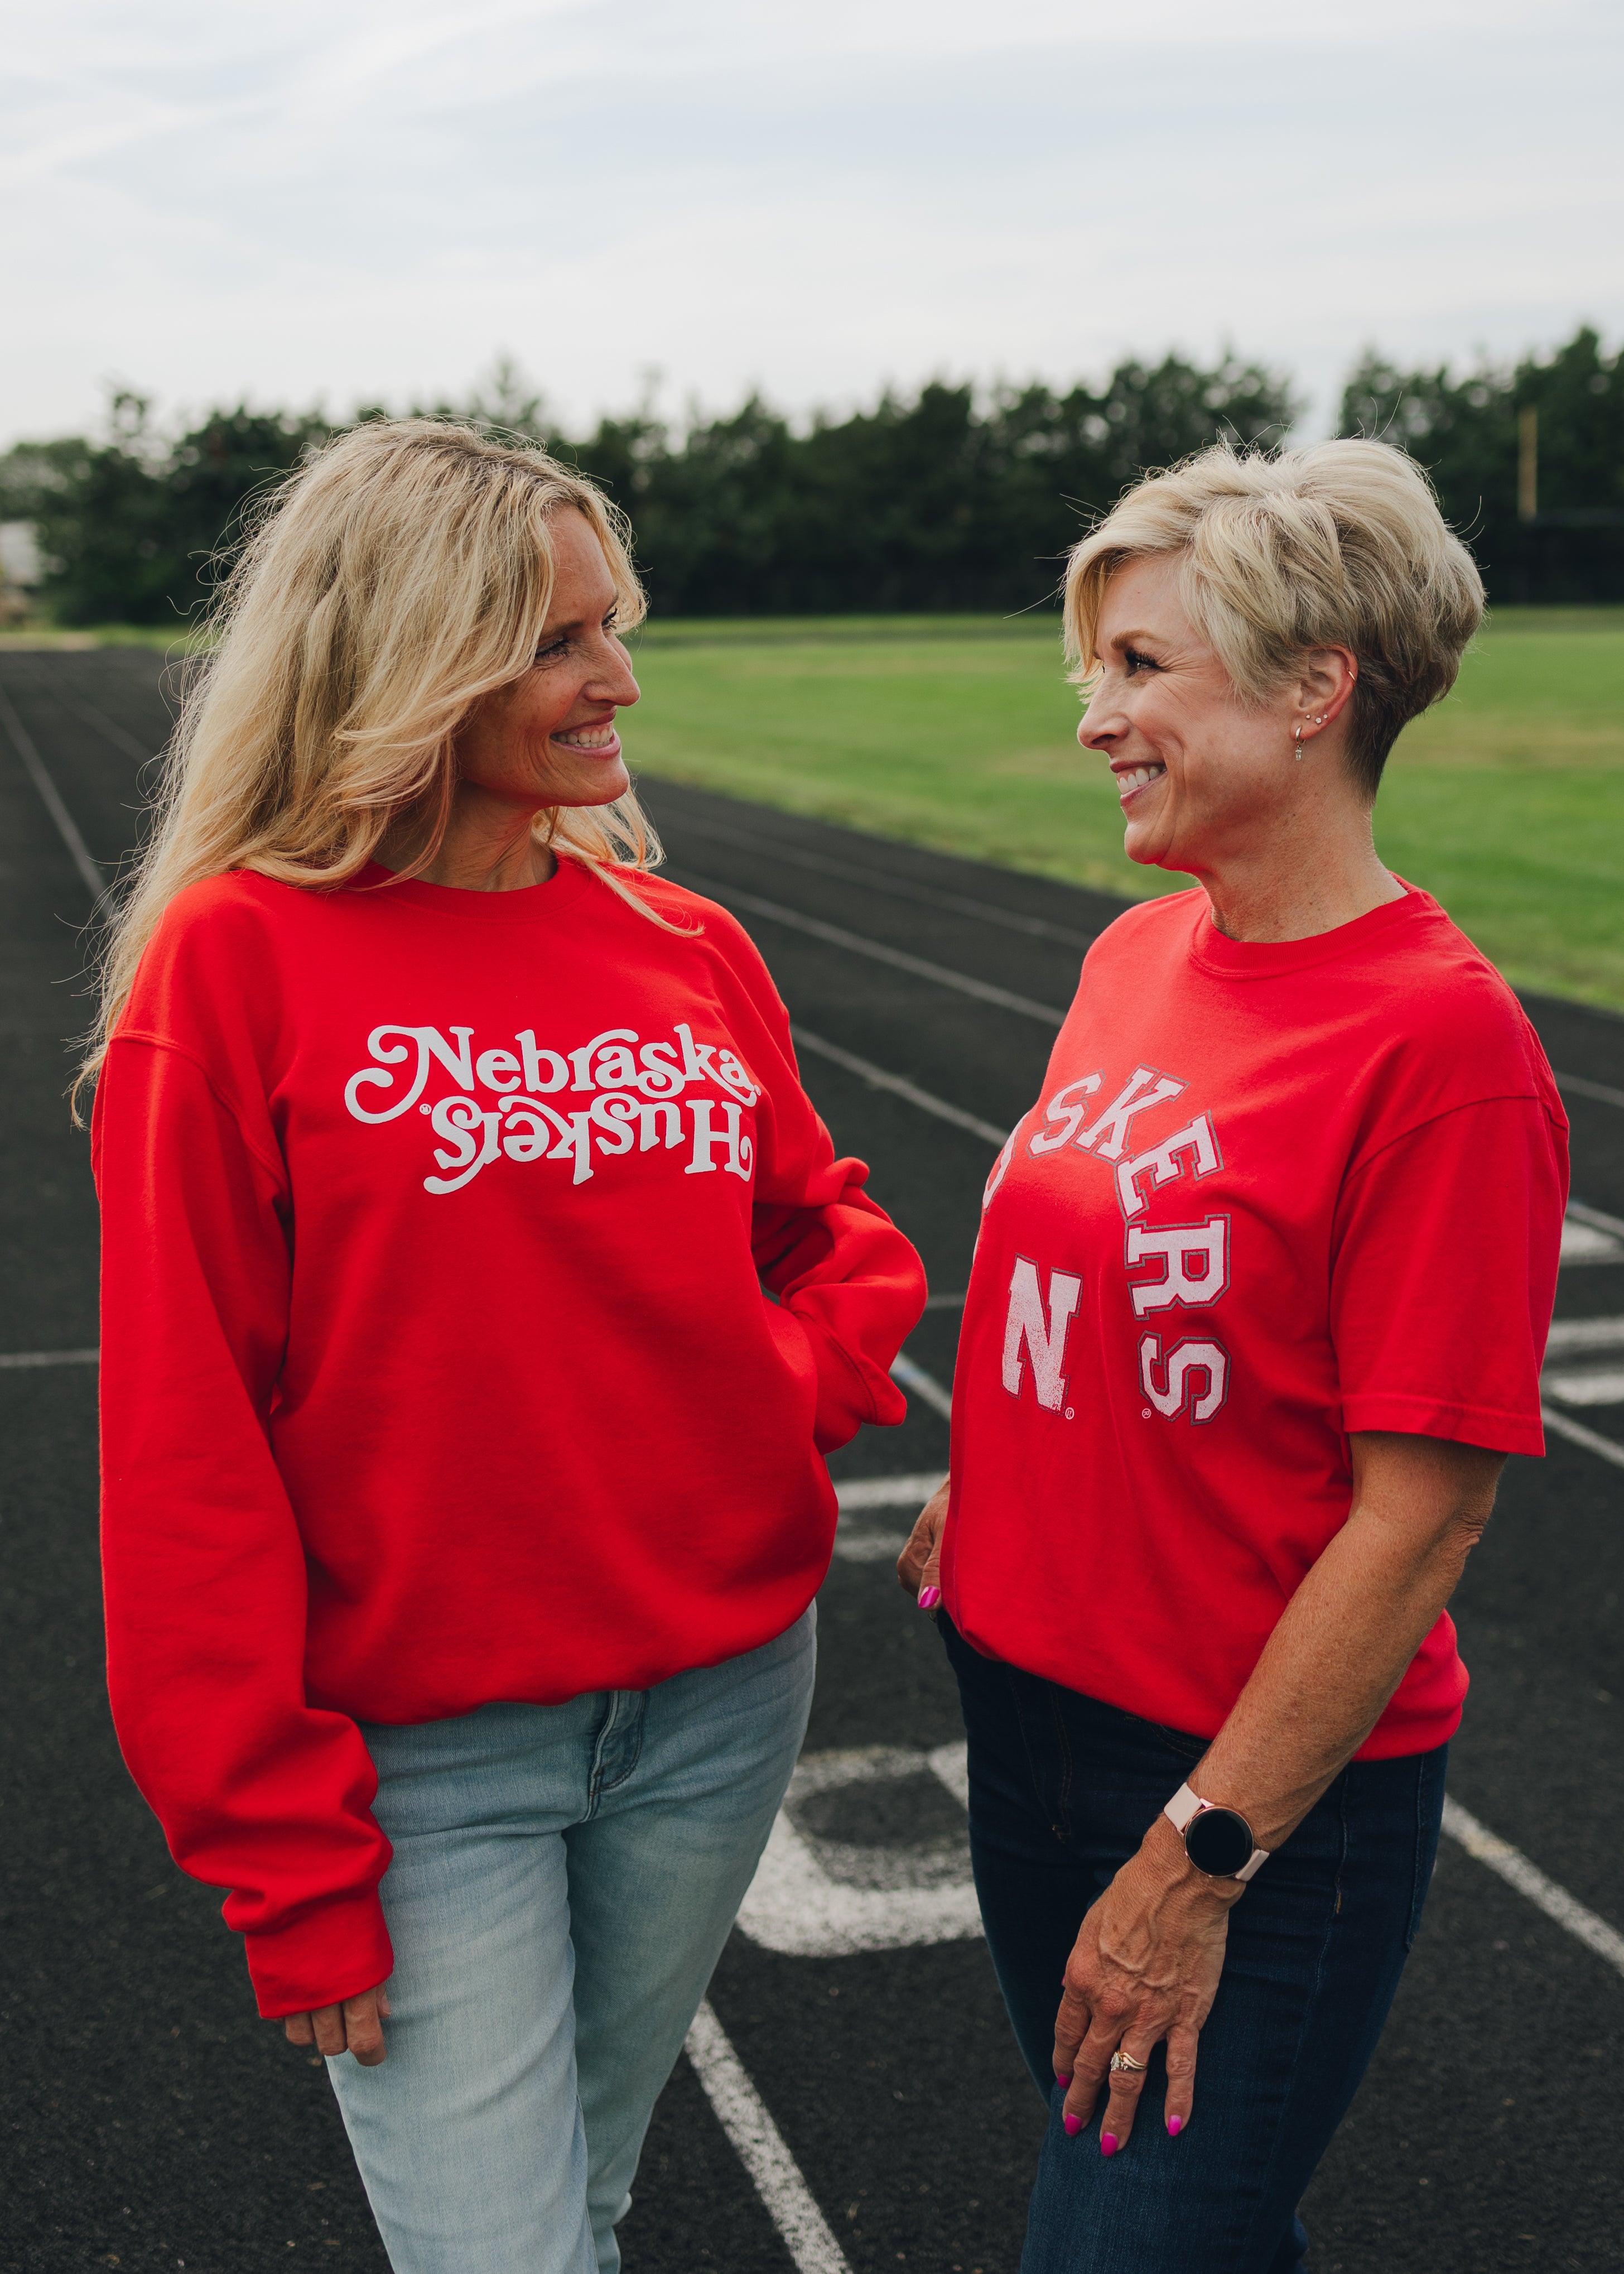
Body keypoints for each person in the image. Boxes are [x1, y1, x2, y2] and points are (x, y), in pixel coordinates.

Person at [88, 419, 926, 2274]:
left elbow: (834, 1235)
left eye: (612, 624)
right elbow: (182, 1446)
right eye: (558, 640)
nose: (617, 676)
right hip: (422, 1761)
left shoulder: (681, 943)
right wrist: (280, 1861)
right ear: (412, 657)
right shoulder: (234, 964)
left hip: (720, 1706)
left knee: (587, 2205)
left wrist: (772, 1393)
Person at [899, 440, 1567, 2273]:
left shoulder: (1443, 1048)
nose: (1095, 713)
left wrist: (1200, 1854)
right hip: (1026, 1713)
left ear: (1311, 687)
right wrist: (1005, 1469)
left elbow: (1420, 1522)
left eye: (1141, 666)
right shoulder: (1134, 957)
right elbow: (1109, 1265)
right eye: (1093, 665)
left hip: (1240, 1798)